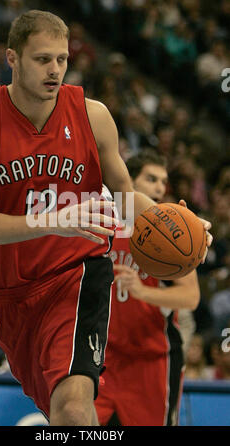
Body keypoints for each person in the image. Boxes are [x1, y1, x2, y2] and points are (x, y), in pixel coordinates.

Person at [0, 10, 212, 426]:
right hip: (9, 295)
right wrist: (50, 220)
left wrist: (180, 222)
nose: (55, 71)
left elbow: (124, 197)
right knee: (61, 417)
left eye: (62, 59)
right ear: (11, 58)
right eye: (42, 59)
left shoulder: (93, 115)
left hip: (79, 276)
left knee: (73, 405)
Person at [95, 150, 201, 426]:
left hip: (151, 358)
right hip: (103, 356)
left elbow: (190, 297)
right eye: (151, 178)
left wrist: (142, 292)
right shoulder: (103, 223)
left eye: (163, 181)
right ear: (128, 182)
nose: (159, 187)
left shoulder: (170, 232)